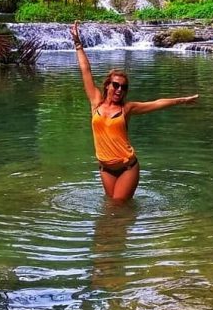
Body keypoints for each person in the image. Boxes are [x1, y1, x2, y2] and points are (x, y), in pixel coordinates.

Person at [70, 21, 198, 201]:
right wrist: (77, 44)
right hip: (106, 169)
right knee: (111, 212)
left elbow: (156, 103)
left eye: (123, 87)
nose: (119, 90)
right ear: (107, 86)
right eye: (116, 85)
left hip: (127, 168)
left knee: (117, 207)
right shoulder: (96, 103)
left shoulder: (127, 109)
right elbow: (85, 71)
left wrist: (182, 100)